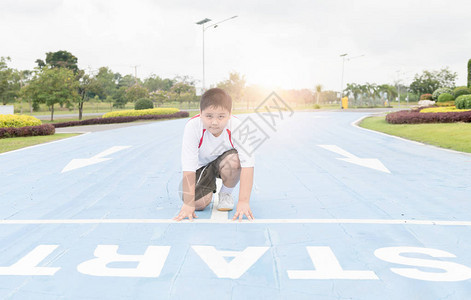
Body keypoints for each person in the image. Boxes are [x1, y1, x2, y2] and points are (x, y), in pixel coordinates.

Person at [174, 88, 255, 222]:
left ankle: (225, 193)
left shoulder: (238, 127)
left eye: (221, 116)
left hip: (225, 162)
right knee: (198, 204)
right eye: (209, 116)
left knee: (236, 160)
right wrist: (188, 204)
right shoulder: (192, 127)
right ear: (200, 113)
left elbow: (248, 165)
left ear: (229, 114)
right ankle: (208, 188)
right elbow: (189, 165)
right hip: (202, 167)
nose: (215, 122)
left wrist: (243, 202)